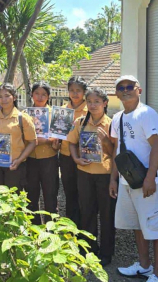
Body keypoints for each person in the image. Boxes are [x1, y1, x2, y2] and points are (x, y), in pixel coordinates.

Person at [109, 76, 158, 282]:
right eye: (121, 87)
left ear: (139, 90)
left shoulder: (147, 113)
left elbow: (157, 146)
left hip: (148, 180)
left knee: (157, 227)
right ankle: (145, 266)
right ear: (116, 93)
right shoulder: (117, 117)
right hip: (128, 181)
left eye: (130, 86)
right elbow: (117, 150)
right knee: (138, 225)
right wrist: (113, 179)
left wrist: (150, 177)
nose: (125, 90)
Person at [67, 88, 115, 266]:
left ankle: (106, 253)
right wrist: (76, 158)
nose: (93, 105)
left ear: (105, 103)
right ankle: (89, 248)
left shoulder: (111, 124)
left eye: (97, 102)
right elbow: (71, 143)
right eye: (90, 102)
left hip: (104, 174)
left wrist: (105, 141)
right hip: (84, 173)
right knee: (87, 212)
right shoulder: (80, 122)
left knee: (107, 215)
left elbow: (115, 152)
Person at [0, 83, 37, 190]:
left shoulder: (23, 118)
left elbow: (33, 142)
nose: (3, 99)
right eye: (0, 96)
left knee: (13, 197)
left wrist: (19, 160)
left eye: (7, 96)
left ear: (14, 97)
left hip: (14, 166)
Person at [26, 81, 59, 225]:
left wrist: (49, 142)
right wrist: (39, 140)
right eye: (37, 93)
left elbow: (59, 136)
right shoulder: (24, 114)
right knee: (31, 195)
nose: (40, 97)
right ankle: (34, 228)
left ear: (48, 96)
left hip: (49, 158)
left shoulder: (55, 114)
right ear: (32, 95)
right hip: (30, 159)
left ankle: (51, 229)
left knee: (50, 195)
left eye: (44, 94)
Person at [59, 76, 88, 226]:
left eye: (78, 90)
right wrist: (55, 141)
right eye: (72, 90)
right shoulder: (63, 110)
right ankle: (70, 227)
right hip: (66, 156)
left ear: (84, 92)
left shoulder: (90, 109)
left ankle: (85, 227)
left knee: (84, 194)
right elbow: (58, 132)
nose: (75, 94)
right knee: (70, 193)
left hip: (85, 157)